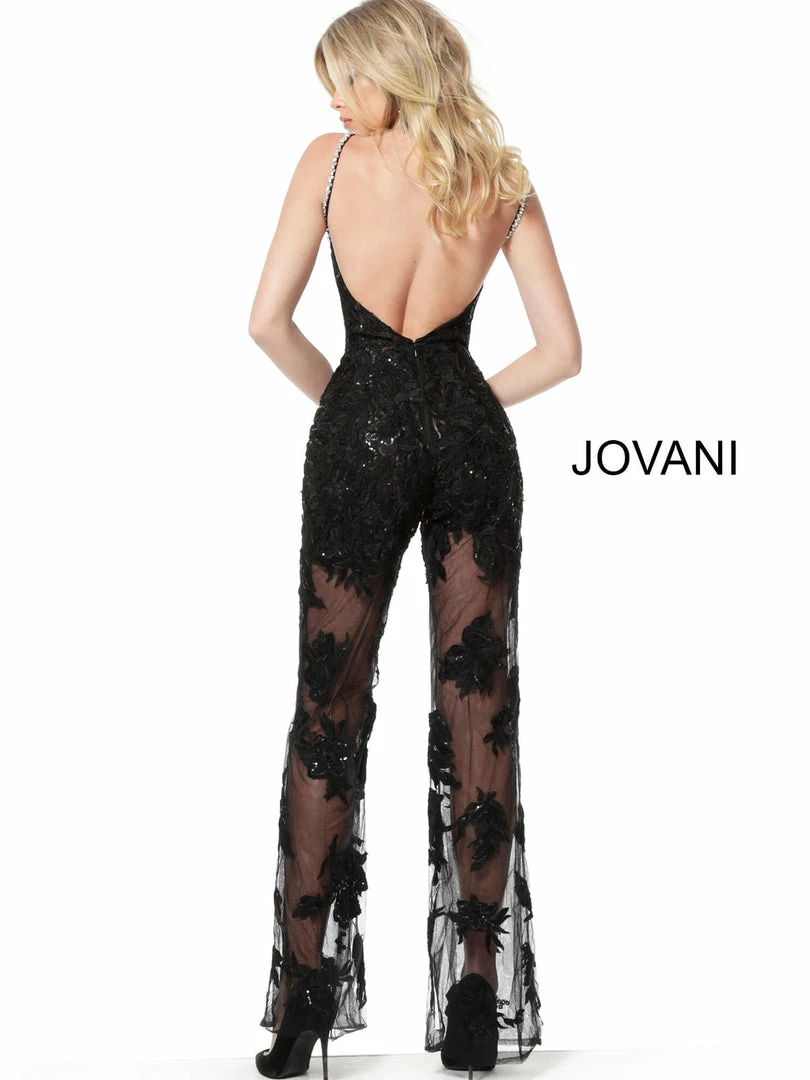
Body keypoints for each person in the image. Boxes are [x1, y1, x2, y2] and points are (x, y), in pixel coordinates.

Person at [248, 1, 581, 1076]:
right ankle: (476, 996)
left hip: (356, 447)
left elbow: (266, 322)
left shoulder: (329, 167)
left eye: (347, 77)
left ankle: (305, 1003)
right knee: (481, 704)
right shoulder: (500, 176)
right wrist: (457, 408)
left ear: (394, 70)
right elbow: (563, 350)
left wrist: (360, 411)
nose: (333, 99)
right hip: (474, 447)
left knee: (327, 708)